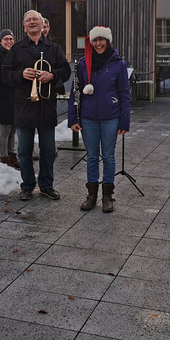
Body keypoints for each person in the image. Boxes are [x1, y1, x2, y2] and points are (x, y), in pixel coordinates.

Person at [2, 10, 70, 201]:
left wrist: (52, 75)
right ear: (24, 26)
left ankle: (47, 186)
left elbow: (65, 70)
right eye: (28, 20)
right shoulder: (16, 49)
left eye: (35, 20)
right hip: (24, 106)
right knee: (24, 151)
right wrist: (20, 74)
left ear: (42, 25)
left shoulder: (53, 48)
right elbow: (4, 74)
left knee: (49, 150)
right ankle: (27, 185)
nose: (32, 23)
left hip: (46, 106)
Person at [68, 26, 131, 212]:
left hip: (111, 117)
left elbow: (124, 94)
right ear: (91, 42)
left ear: (108, 41)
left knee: (109, 157)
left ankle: (107, 196)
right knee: (92, 157)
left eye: (101, 40)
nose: (98, 44)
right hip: (88, 118)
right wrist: (73, 118)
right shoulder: (82, 64)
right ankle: (92, 195)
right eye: (95, 40)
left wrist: (124, 120)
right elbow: (75, 92)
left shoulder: (118, 64)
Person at [0, 29, 19, 169]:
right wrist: (14, 79)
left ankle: (12, 155)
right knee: (6, 130)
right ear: (1, 41)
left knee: (13, 129)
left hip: (15, 96)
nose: (9, 41)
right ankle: (4, 158)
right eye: (6, 39)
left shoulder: (14, 54)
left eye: (11, 39)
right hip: (5, 97)